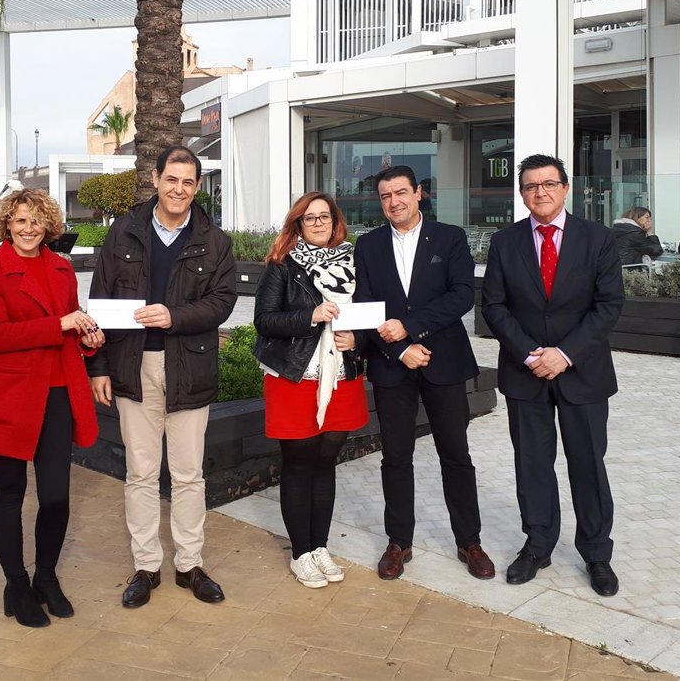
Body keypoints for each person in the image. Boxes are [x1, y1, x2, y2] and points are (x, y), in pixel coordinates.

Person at [87, 146, 238, 608]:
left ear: (198, 186)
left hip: (189, 368)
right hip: (134, 368)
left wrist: (174, 316)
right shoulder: (123, 231)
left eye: (188, 182)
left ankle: (189, 565)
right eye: (171, 179)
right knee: (141, 473)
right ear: (156, 179)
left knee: (189, 475)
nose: (179, 189)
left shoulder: (215, 240)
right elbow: (101, 300)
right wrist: (99, 367)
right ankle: (146, 566)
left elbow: (222, 302)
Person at [481, 154, 624, 597]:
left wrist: (564, 354)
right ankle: (538, 545)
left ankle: (596, 553)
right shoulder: (505, 242)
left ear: (565, 188)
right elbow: (493, 306)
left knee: (588, 464)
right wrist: (530, 355)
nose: (539, 192)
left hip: (582, 372)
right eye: (530, 186)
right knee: (532, 464)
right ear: (521, 193)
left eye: (548, 184)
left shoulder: (597, 238)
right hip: (525, 373)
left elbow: (609, 305)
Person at [0, 188, 104, 628]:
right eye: (20, 220)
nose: (29, 228)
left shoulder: (62, 269)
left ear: (49, 226)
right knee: (10, 492)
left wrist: (87, 337)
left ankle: (46, 576)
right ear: (7, 224)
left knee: (56, 495)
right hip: (10, 393)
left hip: (57, 390)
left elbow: (68, 329)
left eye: (37, 220)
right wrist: (59, 323)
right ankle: (16, 583)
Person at [354, 165, 495, 582]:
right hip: (391, 364)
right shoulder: (369, 245)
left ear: (418, 193)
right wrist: (400, 349)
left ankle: (469, 541)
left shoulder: (450, 238)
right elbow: (364, 306)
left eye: (400, 192)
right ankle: (399, 542)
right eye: (385, 196)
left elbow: (461, 296)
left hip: (443, 360)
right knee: (395, 457)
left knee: (456, 454)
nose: (393, 201)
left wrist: (411, 329)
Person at [252, 192, 366, 588]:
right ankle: (300, 552)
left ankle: (320, 546)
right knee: (299, 464)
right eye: (309, 218)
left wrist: (359, 340)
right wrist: (311, 315)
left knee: (326, 462)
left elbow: (370, 317)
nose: (318, 223)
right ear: (298, 225)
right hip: (295, 377)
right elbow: (264, 320)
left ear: (335, 222)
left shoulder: (354, 263)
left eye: (324, 217)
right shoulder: (282, 265)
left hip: (342, 377)